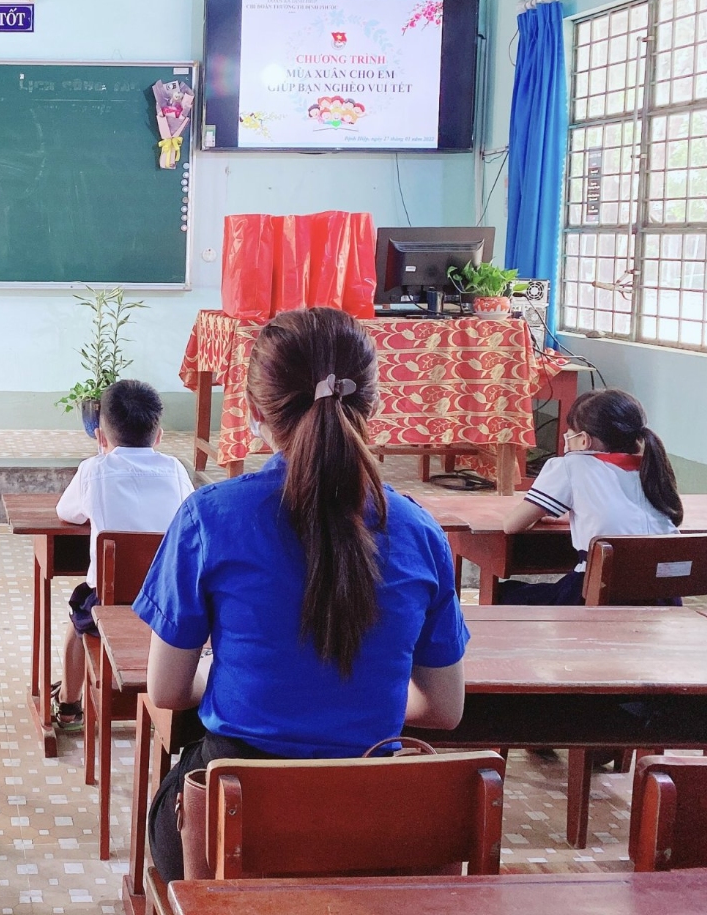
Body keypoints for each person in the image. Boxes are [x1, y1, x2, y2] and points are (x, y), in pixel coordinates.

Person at [134, 307, 468, 882]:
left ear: (255, 410)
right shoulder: (420, 532)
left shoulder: (209, 518)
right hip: (376, 829)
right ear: (373, 406)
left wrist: (248, 682)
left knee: (176, 799)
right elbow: (444, 709)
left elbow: (167, 690)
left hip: (241, 816)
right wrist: (361, 701)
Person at [52, 379, 193, 731]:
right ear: (158, 436)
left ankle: (68, 706)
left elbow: (66, 512)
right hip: (167, 600)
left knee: (77, 619)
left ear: (100, 436)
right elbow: (189, 517)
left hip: (110, 601)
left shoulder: (93, 470)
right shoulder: (176, 469)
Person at [498, 388, 682, 605]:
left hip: (599, 596)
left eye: (569, 434)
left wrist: (536, 516)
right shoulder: (652, 468)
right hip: (663, 598)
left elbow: (512, 525)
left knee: (505, 594)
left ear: (583, 440)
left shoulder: (571, 465)